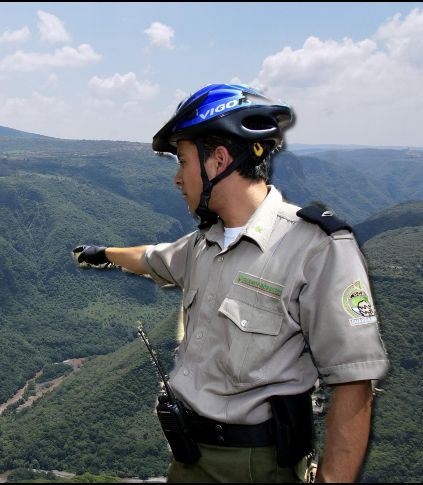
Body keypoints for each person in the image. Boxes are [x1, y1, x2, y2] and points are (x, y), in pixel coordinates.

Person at [72, 84, 389, 483]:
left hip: (258, 466)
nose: (176, 178)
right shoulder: (203, 244)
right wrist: (103, 253)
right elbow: (152, 259)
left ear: (218, 160)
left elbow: (354, 380)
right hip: (189, 458)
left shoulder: (315, 248)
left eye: (183, 161)